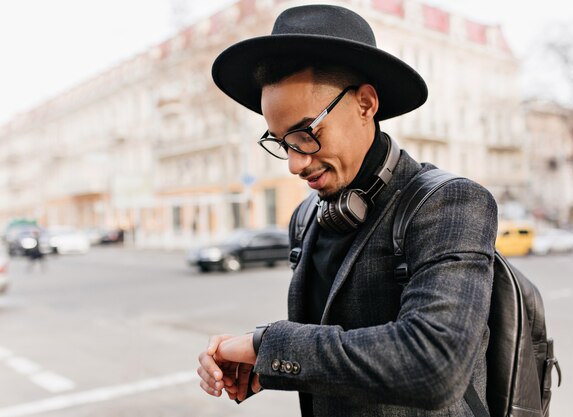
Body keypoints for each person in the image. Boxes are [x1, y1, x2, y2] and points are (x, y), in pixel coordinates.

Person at [198, 5, 498, 417]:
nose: (295, 164)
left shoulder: (450, 202)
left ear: (365, 104)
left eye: (306, 133)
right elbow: (340, 347)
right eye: (283, 142)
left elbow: (435, 365)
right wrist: (266, 368)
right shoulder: (305, 218)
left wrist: (266, 345)